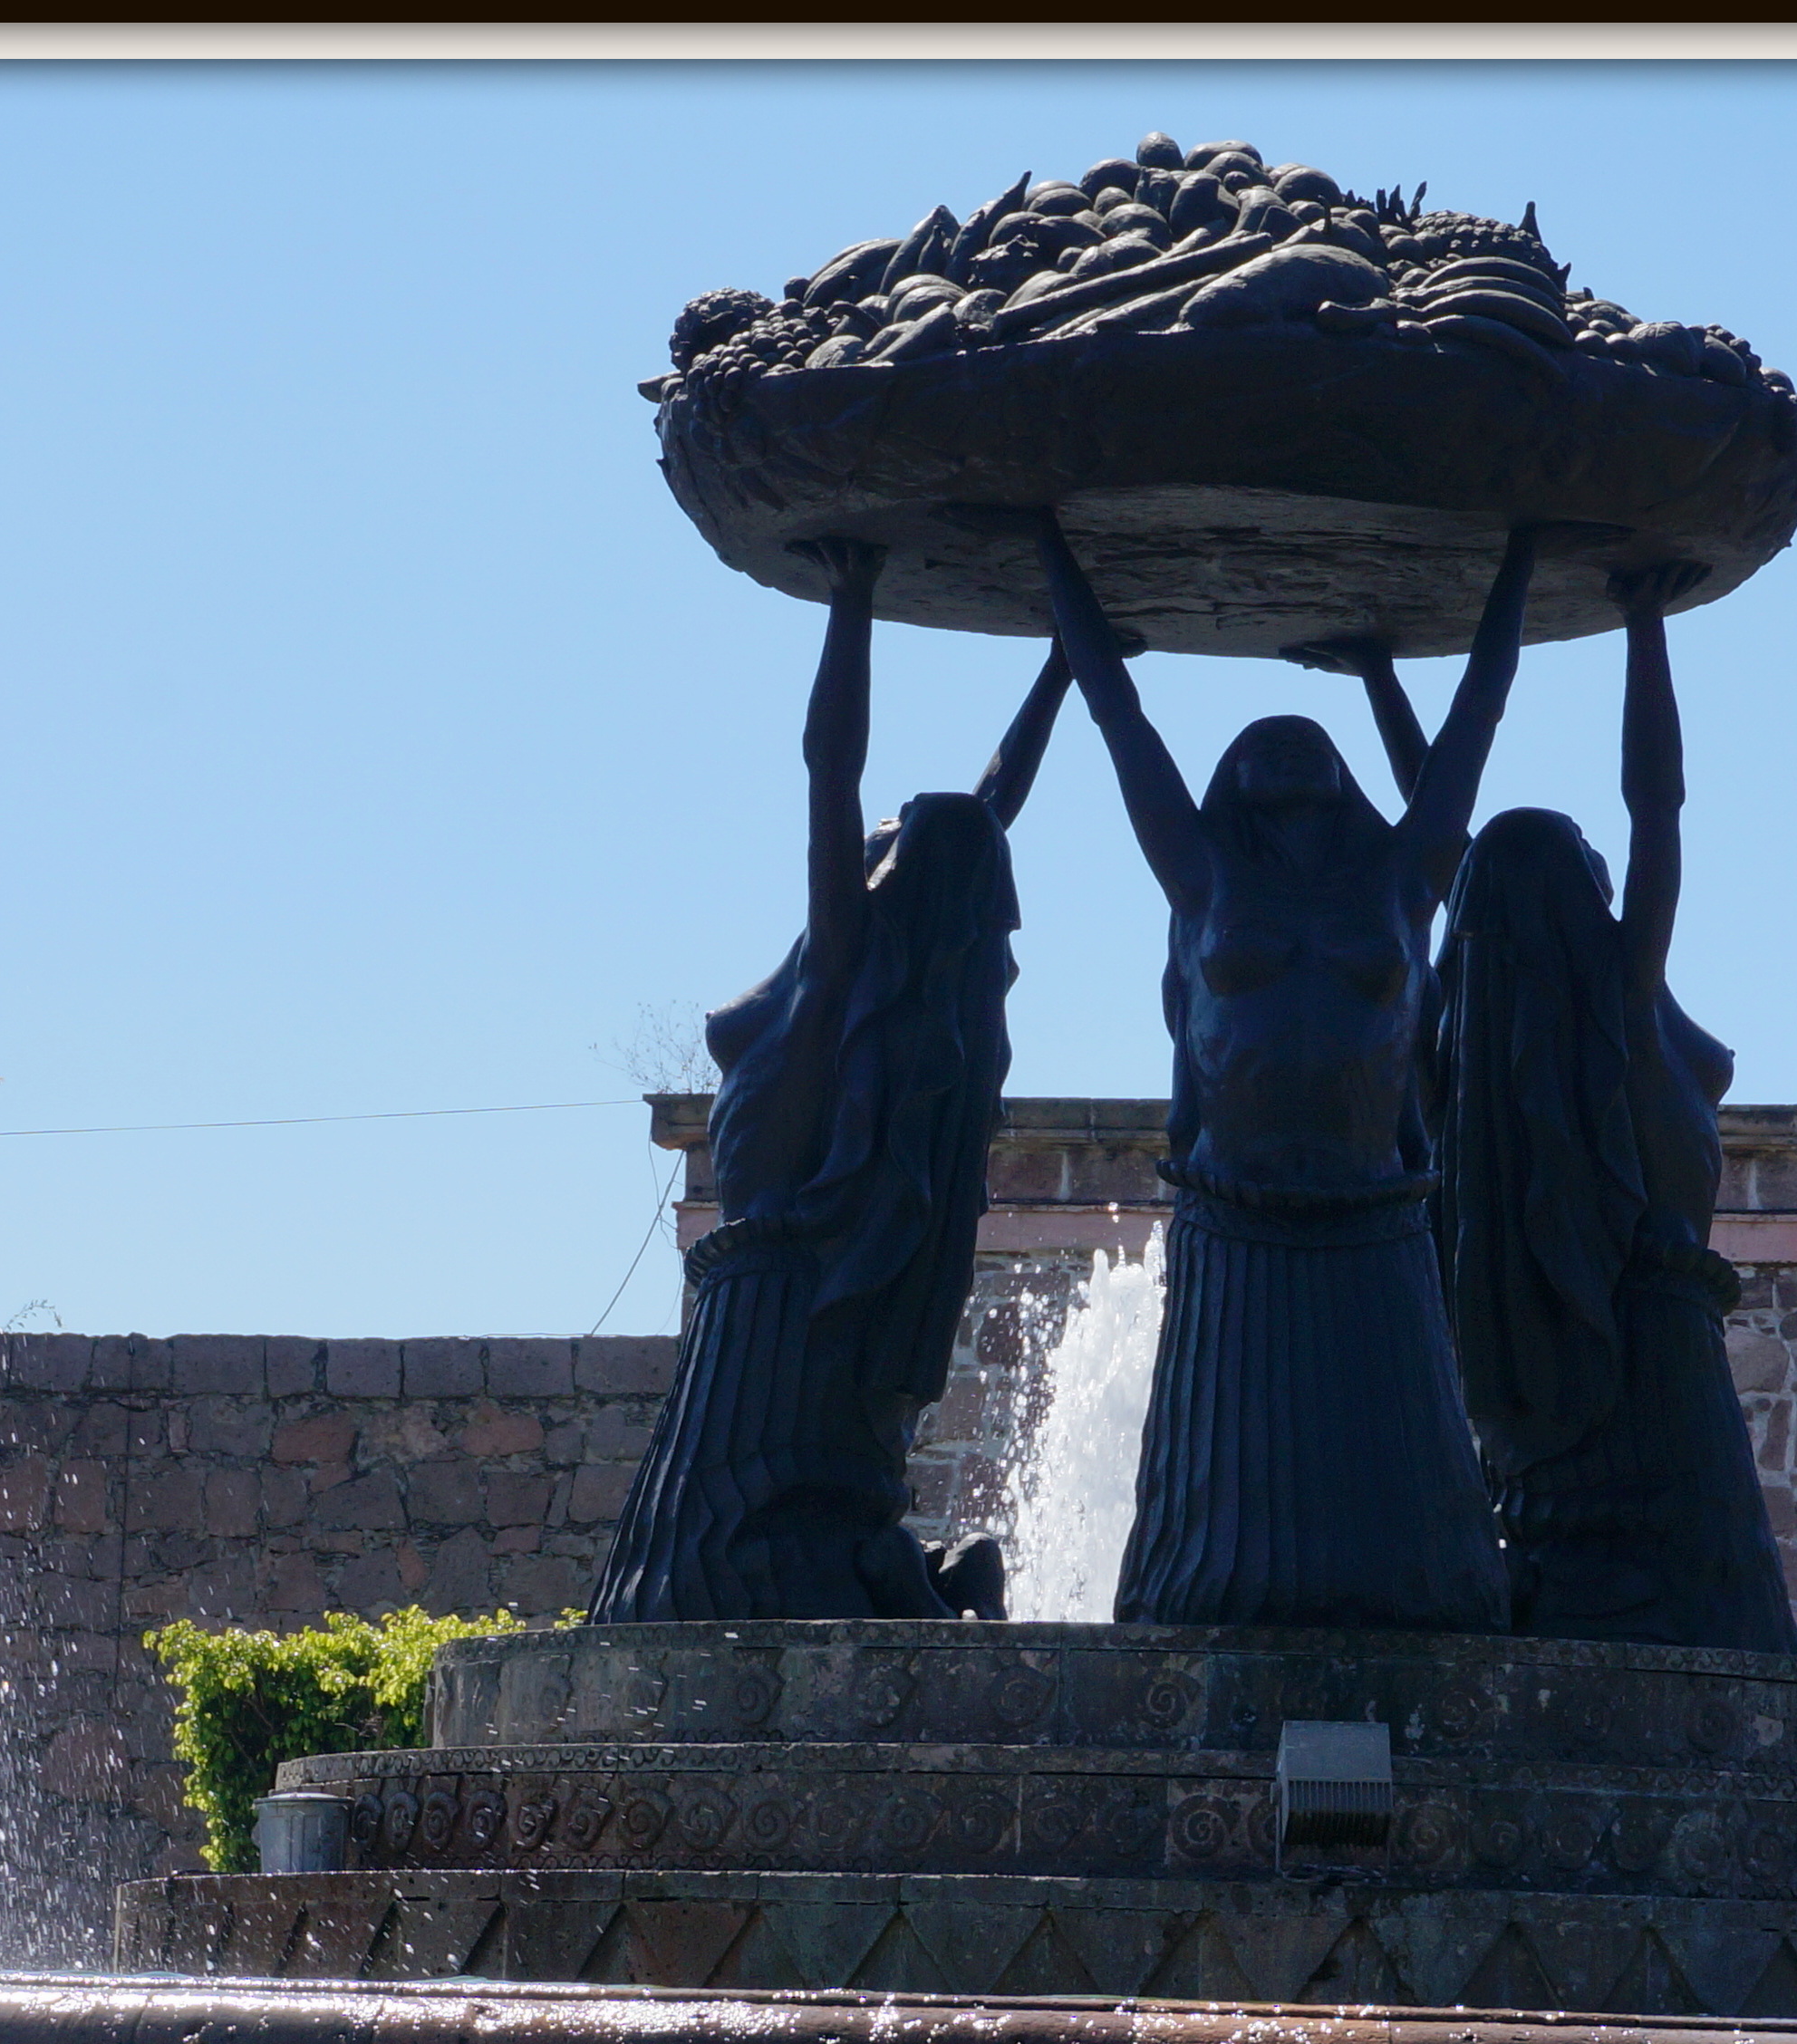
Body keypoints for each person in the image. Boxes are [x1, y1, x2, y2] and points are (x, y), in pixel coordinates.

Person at [973, 506, 1541, 1632]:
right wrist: (1047, 545)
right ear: (1228, 780)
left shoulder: (1403, 880)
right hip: (1233, 1213)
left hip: (1374, 1213)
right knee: (1212, 1509)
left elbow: (1478, 717)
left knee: (1407, 1501)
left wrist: (1521, 548)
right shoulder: (1202, 875)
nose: (1282, 743)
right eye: (1257, 742)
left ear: (1344, 776)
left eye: (1306, 738)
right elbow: (1121, 717)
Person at [589, 539, 1066, 1623]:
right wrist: (1062, 665)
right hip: (801, 1323)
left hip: (765, 1333)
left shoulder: (835, 982)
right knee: (752, 1567)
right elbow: (990, 807)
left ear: (889, 873)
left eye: (893, 830)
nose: (878, 823)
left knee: (702, 1592)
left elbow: (830, 769)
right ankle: (910, 1578)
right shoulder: (872, 1003)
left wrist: (853, 600)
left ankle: (889, 1579)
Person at [1426, 561, 1797, 1656]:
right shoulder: (1625, 997)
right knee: (1720, 1634)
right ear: (1576, 893)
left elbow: (1454, 854)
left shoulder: (1495, 1065)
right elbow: (1657, 810)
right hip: (1664, 1360)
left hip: (1561, 1379)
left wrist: (1384, 680)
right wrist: (1645, 622)